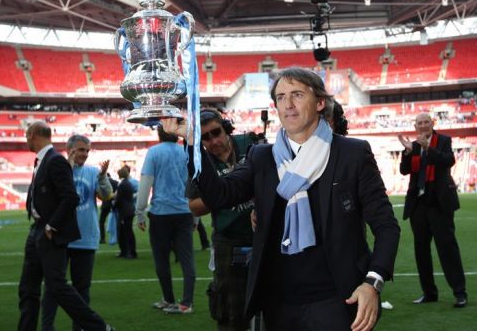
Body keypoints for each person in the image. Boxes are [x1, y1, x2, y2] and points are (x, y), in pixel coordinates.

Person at [163, 67, 400, 331]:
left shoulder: (352, 154)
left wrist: (373, 283)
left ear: (320, 102)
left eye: (297, 94)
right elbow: (220, 194)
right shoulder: (261, 157)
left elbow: (386, 226)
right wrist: (194, 142)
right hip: (279, 305)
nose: (288, 104)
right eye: (280, 97)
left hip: (337, 300)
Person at [18, 122, 113, 331]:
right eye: (81, 150)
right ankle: (46, 326)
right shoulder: (58, 164)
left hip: (76, 235)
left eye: (87, 150)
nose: (85, 154)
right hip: (51, 233)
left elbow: (101, 196)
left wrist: (103, 177)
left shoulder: (85, 170)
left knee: (71, 287)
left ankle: (89, 327)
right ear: (70, 149)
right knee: (46, 288)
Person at [186, 108, 255, 331]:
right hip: (229, 241)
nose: (213, 141)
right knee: (230, 307)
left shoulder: (251, 144)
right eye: (205, 138)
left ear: (226, 128)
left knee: (274, 298)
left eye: (216, 132)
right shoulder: (200, 163)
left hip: (265, 234)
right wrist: (222, 194)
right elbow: (194, 206)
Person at [398, 113, 467, 307]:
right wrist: (407, 152)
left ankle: (460, 293)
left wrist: (429, 148)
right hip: (418, 204)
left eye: (426, 122)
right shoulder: (413, 145)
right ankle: (429, 292)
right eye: (419, 123)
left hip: (439, 203)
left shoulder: (443, 140)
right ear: (415, 125)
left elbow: (448, 161)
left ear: (432, 123)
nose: (423, 125)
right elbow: (405, 170)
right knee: (421, 250)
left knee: (447, 248)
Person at [135, 125, 196, 314]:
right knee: (187, 258)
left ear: (159, 134)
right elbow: (193, 183)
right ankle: (186, 302)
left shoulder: (153, 152)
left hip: (161, 213)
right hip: (184, 212)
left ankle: (169, 299)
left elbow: (146, 182)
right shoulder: (186, 153)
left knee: (161, 260)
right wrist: (196, 216)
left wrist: (140, 211)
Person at [115, 165, 137, 259]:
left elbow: (119, 199)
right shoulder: (127, 183)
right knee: (125, 232)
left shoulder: (123, 184)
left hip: (125, 211)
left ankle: (130, 252)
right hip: (128, 210)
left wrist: (113, 205)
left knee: (126, 232)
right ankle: (127, 251)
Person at [99, 173, 118, 244]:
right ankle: (118, 238)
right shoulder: (116, 182)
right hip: (114, 205)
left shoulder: (103, 183)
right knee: (116, 222)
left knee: (101, 222)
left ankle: (102, 238)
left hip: (105, 204)